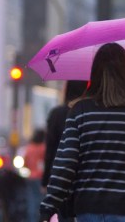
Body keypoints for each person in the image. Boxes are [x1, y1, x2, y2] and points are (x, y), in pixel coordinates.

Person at [39, 42, 125, 222]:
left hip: (88, 208)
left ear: (95, 73)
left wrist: (48, 207)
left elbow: (65, 165)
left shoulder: (80, 110)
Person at [41, 80, 87, 222]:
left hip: (60, 178)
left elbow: (49, 150)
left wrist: (45, 180)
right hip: (84, 180)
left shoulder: (57, 114)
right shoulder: (88, 112)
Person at [24, 129, 46, 222]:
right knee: (41, 200)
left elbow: (25, 163)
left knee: (31, 200)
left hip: (30, 177)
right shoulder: (43, 148)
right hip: (41, 178)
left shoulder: (29, 148)